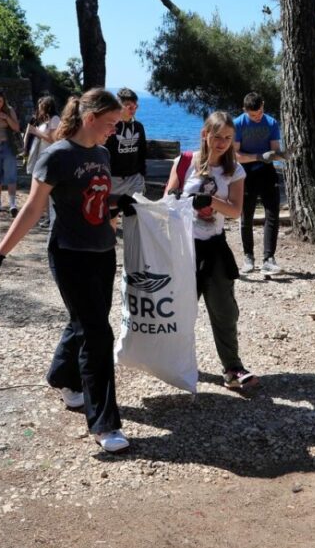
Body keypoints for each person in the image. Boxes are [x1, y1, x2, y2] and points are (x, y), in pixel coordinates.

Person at [0, 88, 135, 454]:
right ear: (90, 118)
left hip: (102, 252)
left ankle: (61, 376)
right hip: (69, 255)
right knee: (98, 334)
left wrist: (118, 206)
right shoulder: (56, 156)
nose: (115, 130)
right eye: (111, 123)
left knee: (84, 321)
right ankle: (104, 425)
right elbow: (32, 209)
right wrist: (0, 253)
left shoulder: (101, 153)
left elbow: (95, 201)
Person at [166, 111, 259, 391]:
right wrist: (187, 201)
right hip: (185, 247)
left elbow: (235, 210)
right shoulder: (184, 162)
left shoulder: (235, 170)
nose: (222, 143)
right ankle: (175, 364)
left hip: (215, 247)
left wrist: (211, 201)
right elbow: (168, 199)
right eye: (217, 136)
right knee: (181, 309)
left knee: (225, 310)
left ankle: (232, 368)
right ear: (205, 134)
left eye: (228, 138)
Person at [233, 92, 285, 274]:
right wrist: (257, 156)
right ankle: (248, 257)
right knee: (246, 215)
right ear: (245, 110)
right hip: (245, 173)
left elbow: (275, 150)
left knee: (272, 213)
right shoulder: (238, 123)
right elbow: (235, 155)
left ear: (263, 105)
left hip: (267, 171)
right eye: (253, 115)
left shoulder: (271, 123)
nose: (257, 117)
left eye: (260, 112)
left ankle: (269, 258)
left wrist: (278, 155)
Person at [106, 87, 148, 200]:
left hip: (135, 178)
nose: (133, 110)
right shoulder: (110, 126)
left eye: (135, 106)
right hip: (113, 178)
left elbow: (142, 151)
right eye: (129, 106)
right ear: (119, 106)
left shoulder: (139, 127)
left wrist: (142, 174)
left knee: (133, 213)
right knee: (112, 214)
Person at [24, 95, 61, 177]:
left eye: (41, 107)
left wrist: (36, 132)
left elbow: (53, 140)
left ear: (47, 107)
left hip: (50, 155)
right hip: (42, 154)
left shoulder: (55, 119)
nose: (39, 109)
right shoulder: (46, 119)